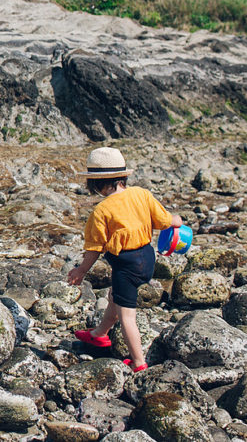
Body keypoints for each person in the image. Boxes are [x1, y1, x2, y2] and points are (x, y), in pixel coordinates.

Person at [66, 147, 183, 373]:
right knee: (115, 296)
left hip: (126, 265)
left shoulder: (101, 211)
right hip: (147, 259)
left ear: (96, 184)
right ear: (123, 176)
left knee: (127, 315)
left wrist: (81, 270)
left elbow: (94, 249)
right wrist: (176, 220)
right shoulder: (142, 194)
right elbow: (164, 220)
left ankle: (139, 362)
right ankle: (99, 334)